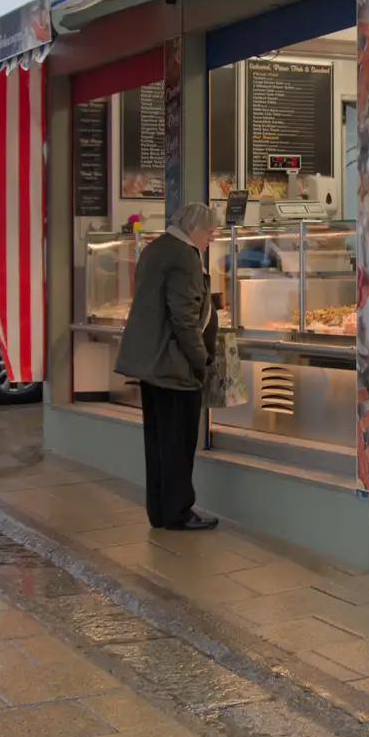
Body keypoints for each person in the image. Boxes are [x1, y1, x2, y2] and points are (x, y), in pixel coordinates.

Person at [114, 201, 221, 532]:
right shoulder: (184, 257)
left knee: (158, 440)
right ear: (192, 229)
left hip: (152, 362)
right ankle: (178, 511)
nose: (213, 237)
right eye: (209, 231)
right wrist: (200, 360)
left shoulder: (155, 247)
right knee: (178, 442)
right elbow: (184, 318)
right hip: (174, 365)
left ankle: (160, 510)